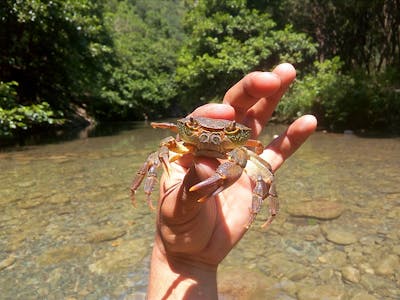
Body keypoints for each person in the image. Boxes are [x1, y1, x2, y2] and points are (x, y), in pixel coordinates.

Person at [146, 63, 317, 299]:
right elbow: (164, 146)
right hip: (198, 154)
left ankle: (260, 213)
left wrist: (183, 262)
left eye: (226, 133)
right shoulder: (179, 144)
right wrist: (179, 259)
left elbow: (260, 163)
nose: (210, 136)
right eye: (198, 128)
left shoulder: (242, 151)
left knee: (266, 174)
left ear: (241, 136)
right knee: (158, 153)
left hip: (232, 156)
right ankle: (144, 192)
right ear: (187, 127)